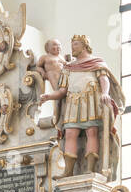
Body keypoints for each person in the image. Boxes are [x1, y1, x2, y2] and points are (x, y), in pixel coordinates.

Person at [41, 33, 125, 179]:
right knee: (70, 134)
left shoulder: (96, 62)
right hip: (73, 103)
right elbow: (62, 91)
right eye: (72, 45)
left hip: (91, 101)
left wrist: (105, 93)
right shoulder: (69, 67)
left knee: (91, 132)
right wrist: (49, 96)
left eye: (76, 45)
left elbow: (104, 79)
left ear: (84, 45)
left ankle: (91, 169)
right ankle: (68, 171)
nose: (72, 48)